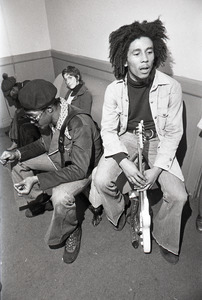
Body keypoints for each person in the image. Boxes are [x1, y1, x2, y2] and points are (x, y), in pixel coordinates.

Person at [89, 19, 187, 264]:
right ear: (124, 59)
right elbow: (109, 131)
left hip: (159, 141)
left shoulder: (172, 87)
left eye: (149, 51)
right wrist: (124, 163)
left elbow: (174, 133)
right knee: (101, 180)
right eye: (137, 53)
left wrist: (157, 169)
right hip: (126, 138)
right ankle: (119, 210)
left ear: (156, 54)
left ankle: (164, 237)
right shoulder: (114, 90)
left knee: (179, 195)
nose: (145, 59)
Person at [0, 79, 102, 264]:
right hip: (61, 160)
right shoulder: (52, 117)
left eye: (33, 117)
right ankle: (39, 198)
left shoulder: (79, 123)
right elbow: (43, 144)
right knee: (17, 163)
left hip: (82, 169)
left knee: (61, 196)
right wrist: (16, 152)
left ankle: (71, 229)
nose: (32, 122)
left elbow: (79, 170)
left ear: (48, 110)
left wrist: (38, 179)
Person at [1, 73, 40, 149]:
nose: (10, 96)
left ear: (13, 89)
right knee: (18, 116)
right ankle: (16, 141)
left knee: (19, 115)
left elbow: (35, 104)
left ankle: (16, 142)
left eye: (10, 94)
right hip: (31, 110)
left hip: (39, 110)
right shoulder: (18, 92)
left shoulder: (27, 87)